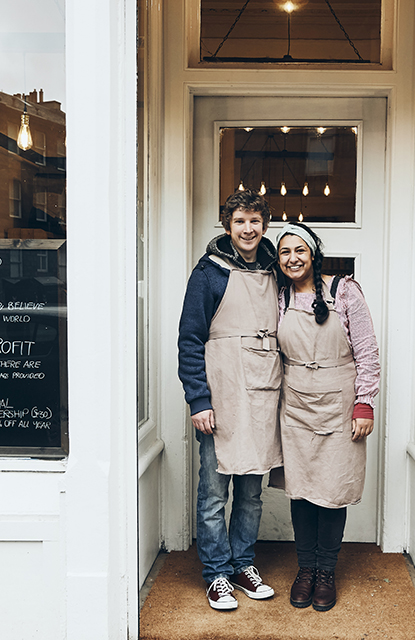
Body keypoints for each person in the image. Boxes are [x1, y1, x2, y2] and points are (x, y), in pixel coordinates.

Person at [177, 190, 282, 610]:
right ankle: (217, 573)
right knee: (214, 493)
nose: (248, 229)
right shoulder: (208, 273)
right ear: (227, 226)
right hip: (220, 400)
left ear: (265, 225)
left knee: (252, 492)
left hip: (261, 395)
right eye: (240, 221)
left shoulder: (277, 272)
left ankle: (243, 563)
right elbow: (189, 341)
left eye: (255, 221)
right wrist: (198, 400)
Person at [273, 222, 380, 612]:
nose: (292, 259)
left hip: (339, 402)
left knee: (332, 493)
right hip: (296, 403)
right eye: (284, 252)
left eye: (299, 250)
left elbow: (367, 350)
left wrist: (364, 403)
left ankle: (325, 572)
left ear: (313, 255)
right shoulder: (280, 297)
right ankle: (305, 569)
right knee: (301, 491)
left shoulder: (344, 291)